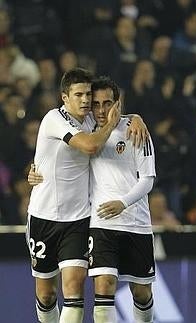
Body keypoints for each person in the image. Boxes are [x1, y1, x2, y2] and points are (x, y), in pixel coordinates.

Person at [26, 68, 148, 323]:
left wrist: (135, 117)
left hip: (80, 219)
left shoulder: (92, 121)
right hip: (43, 216)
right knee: (47, 295)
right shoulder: (54, 119)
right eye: (78, 94)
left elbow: (113, 116)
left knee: (73, 289)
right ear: (64, 98)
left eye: (87, 95)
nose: (85, 101)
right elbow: (91, 145)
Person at [88, 76, 156, 323]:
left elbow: (147, 180)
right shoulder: (85, 132)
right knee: (104, 285)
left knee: (141, 292)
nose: (102, 109)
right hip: (102, 223)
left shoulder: (135, 130)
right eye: (96, 104)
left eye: (108, 102)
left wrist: (123, 203)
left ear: (118, 103)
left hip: (136, 222)